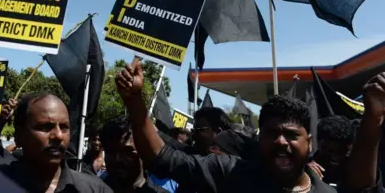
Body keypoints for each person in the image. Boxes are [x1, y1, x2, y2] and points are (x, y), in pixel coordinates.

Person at [115, 61, 384, 193]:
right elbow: (161, 158)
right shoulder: (231, 174)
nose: (281, 141)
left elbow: (364, 189)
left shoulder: (327, 192)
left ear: (309, 143)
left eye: (291, 134)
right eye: (271, 133)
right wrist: (135, 101)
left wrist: (372, 119)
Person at [0, 89, 112, 192]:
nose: (58, 135)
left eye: (64, 127)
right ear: (19, 135)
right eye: (45, 127)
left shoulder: (93, 189)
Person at [100, 115, 168, 193]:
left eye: (127, 151)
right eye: (111, 151)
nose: (118, 158)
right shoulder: (93, 189)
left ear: (143, 152)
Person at [308, 116, 354, 185]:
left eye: (341, 152)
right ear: (319, 144)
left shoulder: (356, 171)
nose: (335, 158)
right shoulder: (303, 169)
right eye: (329, 151)